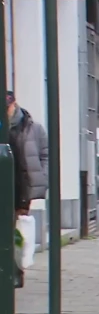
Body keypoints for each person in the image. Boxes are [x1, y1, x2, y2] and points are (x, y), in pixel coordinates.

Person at [7, 92, 36, 288]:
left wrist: (26, 198)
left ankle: (16, 271)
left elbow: (34, 160)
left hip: (17, 190)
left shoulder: (26, 127)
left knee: (16, 235)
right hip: (11, 187)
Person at [7, 91, 49, 201]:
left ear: (14, 105)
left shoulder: (33, 128)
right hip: (5, 186)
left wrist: (42, 177)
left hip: (23, 189)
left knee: (21, 216)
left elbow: (46, 155)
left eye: (8, 108)